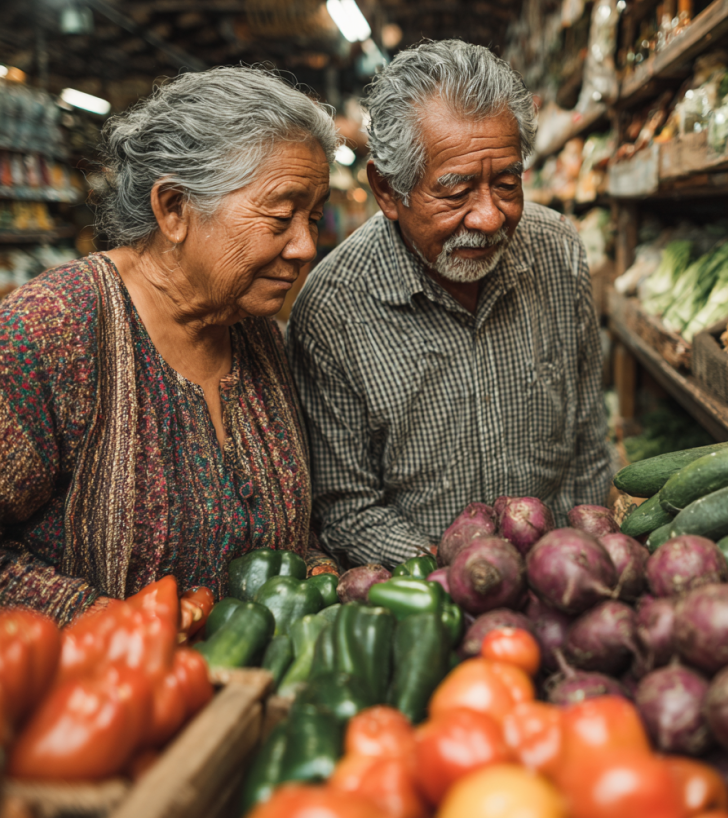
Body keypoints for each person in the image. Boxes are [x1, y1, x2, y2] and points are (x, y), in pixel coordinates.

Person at [0, 67, 338, 624]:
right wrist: (113, 627)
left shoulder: (258, 334)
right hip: (100, 695)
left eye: (314, 216)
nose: (304, 246)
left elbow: (289, 539)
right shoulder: (52, 331)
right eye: (280, 215)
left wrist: (319, 581)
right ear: (174, 209)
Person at [286, 40, 611, 569]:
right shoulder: (332, 309)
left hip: (563, 583)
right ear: (388, 191)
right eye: (456, 192)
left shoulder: (559, 251)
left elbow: (588, 445)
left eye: (507, 183)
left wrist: (579, 566)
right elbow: (348, 510)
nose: (488, 217)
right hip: (425, 597)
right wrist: (465, 576)